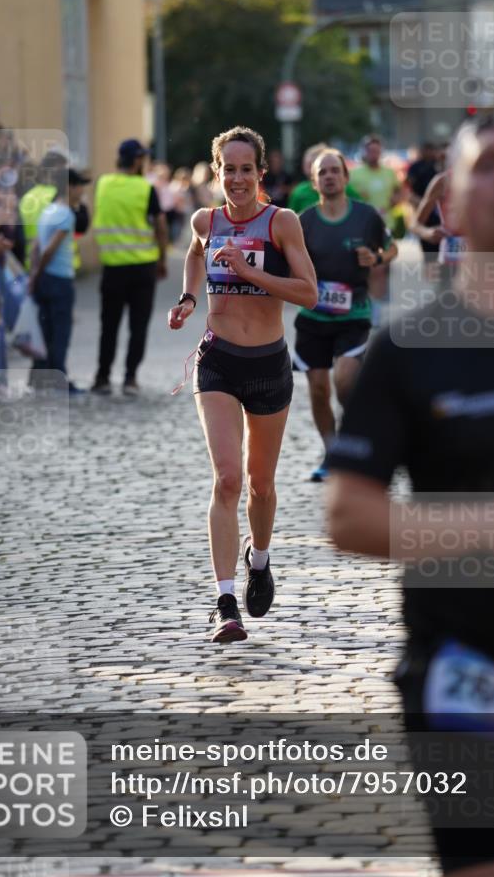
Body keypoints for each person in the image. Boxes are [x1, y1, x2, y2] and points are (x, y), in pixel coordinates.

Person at [327, 110, 494, 877]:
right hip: (461, 675)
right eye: (486, 165)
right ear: (452, 209)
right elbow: (348, 514)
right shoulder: (407, 350)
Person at [168, 125, 317, 643]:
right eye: (228, 169)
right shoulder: (205, 220)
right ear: (216, 172)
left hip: (268, 365)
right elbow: (194, 253)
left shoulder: (282, 223)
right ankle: (224, 602)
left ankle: (260, 559)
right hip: (218, 362)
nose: (236, 178)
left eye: (245, 169)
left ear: (260, 172)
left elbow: (309, 293)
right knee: (228, 478)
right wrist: (189, 299)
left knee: (261, 484)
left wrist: (251, 273)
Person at [293, 147, 397, 482]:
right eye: (322, 172)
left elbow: (391, 248)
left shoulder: (366, 216)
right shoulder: (304, 221)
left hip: (354, 313)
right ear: (314, 181)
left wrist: (376, 259)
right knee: (318, 389)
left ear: (345, 177)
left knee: (345, 381)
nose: (329, 176)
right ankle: (332, 453)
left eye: (334, 170)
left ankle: (359, 439)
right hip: (313, 317)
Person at [91, 138, 167, 396]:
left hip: (112, 268)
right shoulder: (146, 188)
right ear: (137, 160)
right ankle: (130, 378)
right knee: (138, 326)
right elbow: (160, 226)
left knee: (109, 326)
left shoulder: (103, 183)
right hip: (142, 267)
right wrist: (162, 259)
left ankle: (102, 377)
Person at [29, 168, 91, 394]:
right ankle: (58, 379)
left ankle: (39, 377)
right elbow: (49, 250)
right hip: (59, 280)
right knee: (60, 333)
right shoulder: (66, 214)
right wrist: (38, 272)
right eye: (79, 186)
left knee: (45, 330)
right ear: (69, 187)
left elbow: (36, 246)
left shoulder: (48, 210)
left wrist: (34, 274)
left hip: (45, 279)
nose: (82, 191)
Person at [349, 135, 399, 214]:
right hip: (364, 219)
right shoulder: (354, 174)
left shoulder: (390, 173)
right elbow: (347, 197)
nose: (373, 154)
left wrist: (394, 201)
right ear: (364, 152)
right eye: (370, 151)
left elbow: (399, 191)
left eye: (376, 151)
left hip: (387, 219)